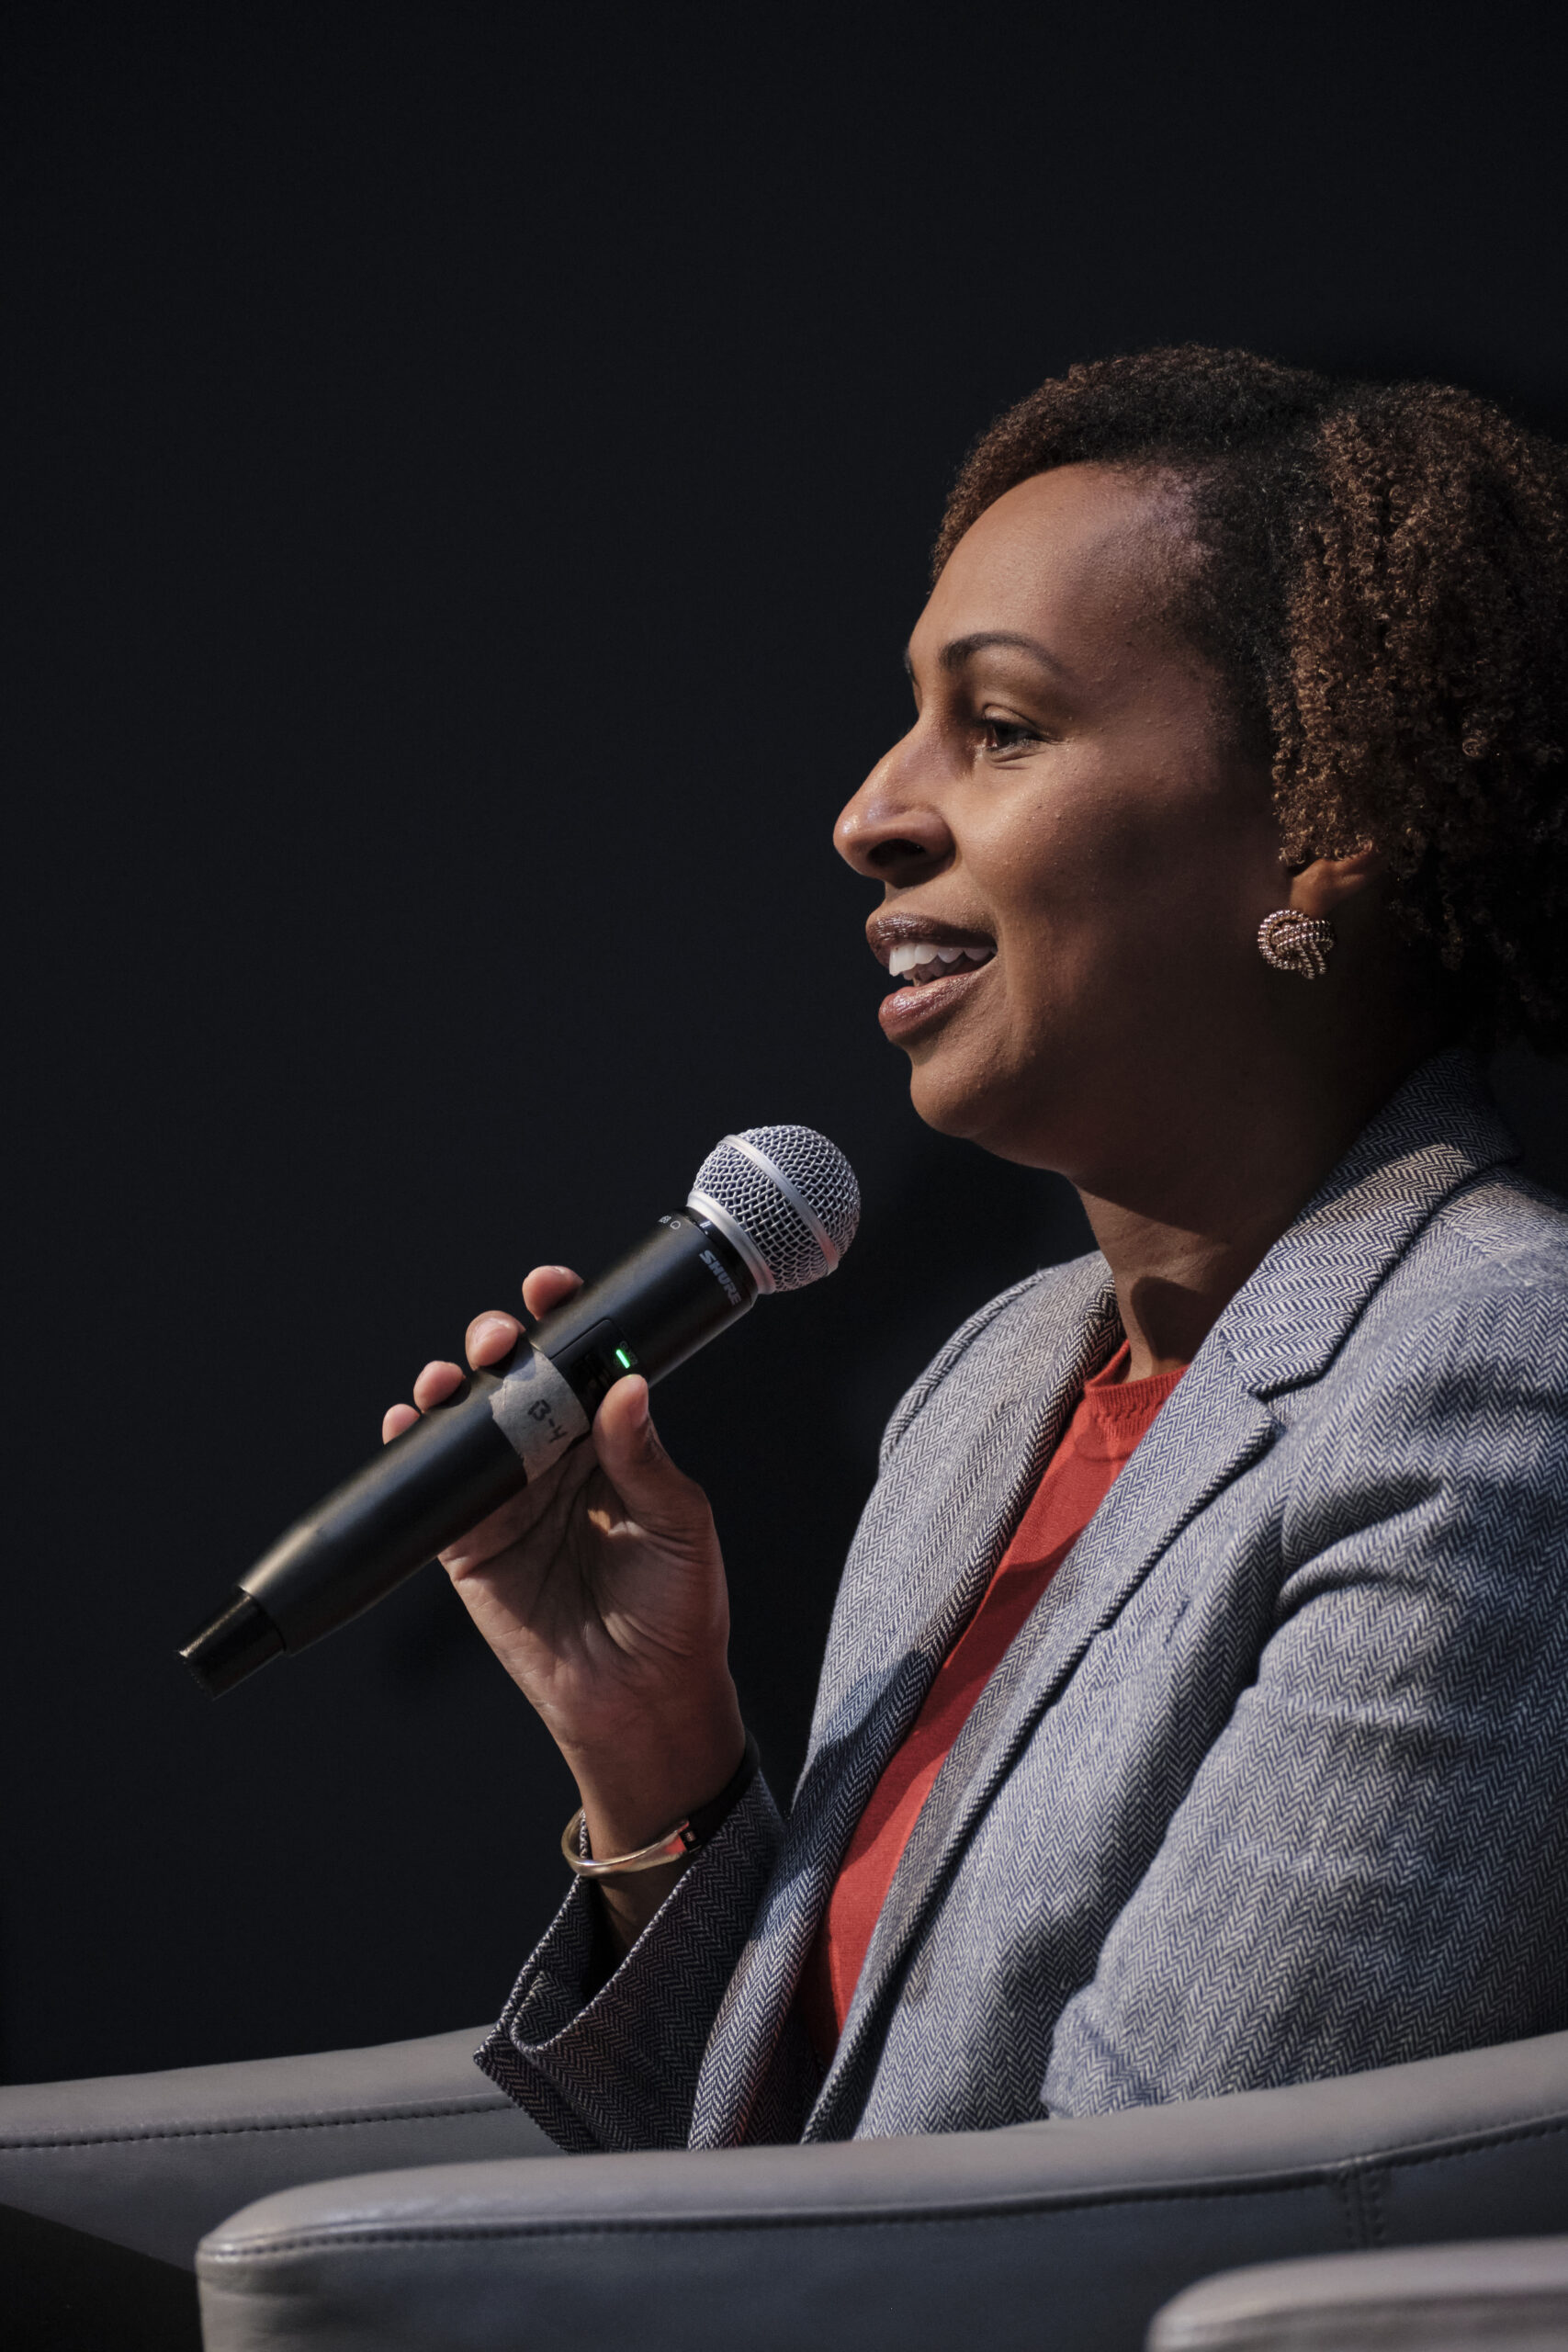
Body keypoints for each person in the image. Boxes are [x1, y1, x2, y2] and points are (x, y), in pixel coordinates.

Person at [384, 347, 1568, 2152]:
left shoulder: (1495, 1381)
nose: (868, 812)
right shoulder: (1001, 1378)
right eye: (908, 720)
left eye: (998, 726)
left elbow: (1124, 2225)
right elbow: (787, 2156)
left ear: (1322, 819)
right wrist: (654, 1752)